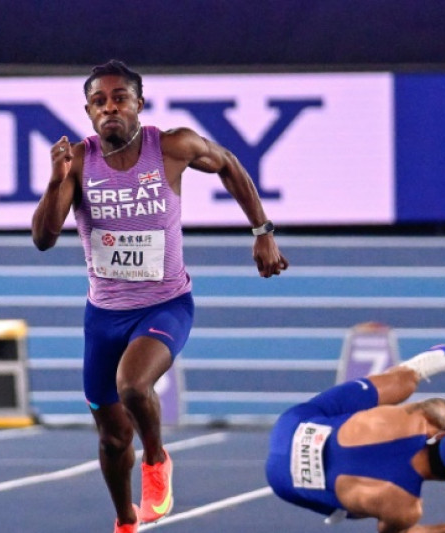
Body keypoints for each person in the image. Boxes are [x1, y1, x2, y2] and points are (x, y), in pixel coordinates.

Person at [32, 59, 288, 532]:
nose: (109, 108)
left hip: (165, 304)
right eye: (99, 102)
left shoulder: (172, 146)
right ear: (88, 112)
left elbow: (229, 164)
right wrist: (54, 181)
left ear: (139, 104)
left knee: (132, 385)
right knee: (112, 439)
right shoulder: (80, 162)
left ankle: (155, 458)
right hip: (103, 317)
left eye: (119, 98)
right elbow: (44, 239)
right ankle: (125, 520)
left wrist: (262, 231)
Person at [266, 345, 445, 532]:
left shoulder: (418, 419)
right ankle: (345, 498)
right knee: (362, 509)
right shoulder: (405, 508)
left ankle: (412, 371)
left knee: (403, 383)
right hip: (283, 480)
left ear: (441, 435)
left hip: (291, 425)